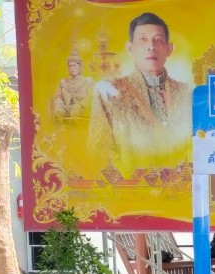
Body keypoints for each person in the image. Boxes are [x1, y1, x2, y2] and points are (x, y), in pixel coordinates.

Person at [88, 12, 192, 172]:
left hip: (182, 184)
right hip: (131, 184)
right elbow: (98, 156)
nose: (151, 46)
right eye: (143, 39)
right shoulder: (108, 91)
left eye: (158, 40)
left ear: (169, 49)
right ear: (130, 48)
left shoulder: (189, 93)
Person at [51, 47, 94, 120]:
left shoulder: (88, 82)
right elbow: (58, 97)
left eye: (74, 65)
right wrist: (59, 106)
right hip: (66, 112)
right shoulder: (63, 82)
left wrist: (79, 107)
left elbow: (90, 98)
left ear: (80, 67)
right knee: (58, 113)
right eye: (70, 66)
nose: (72, 68)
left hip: (82, 114)